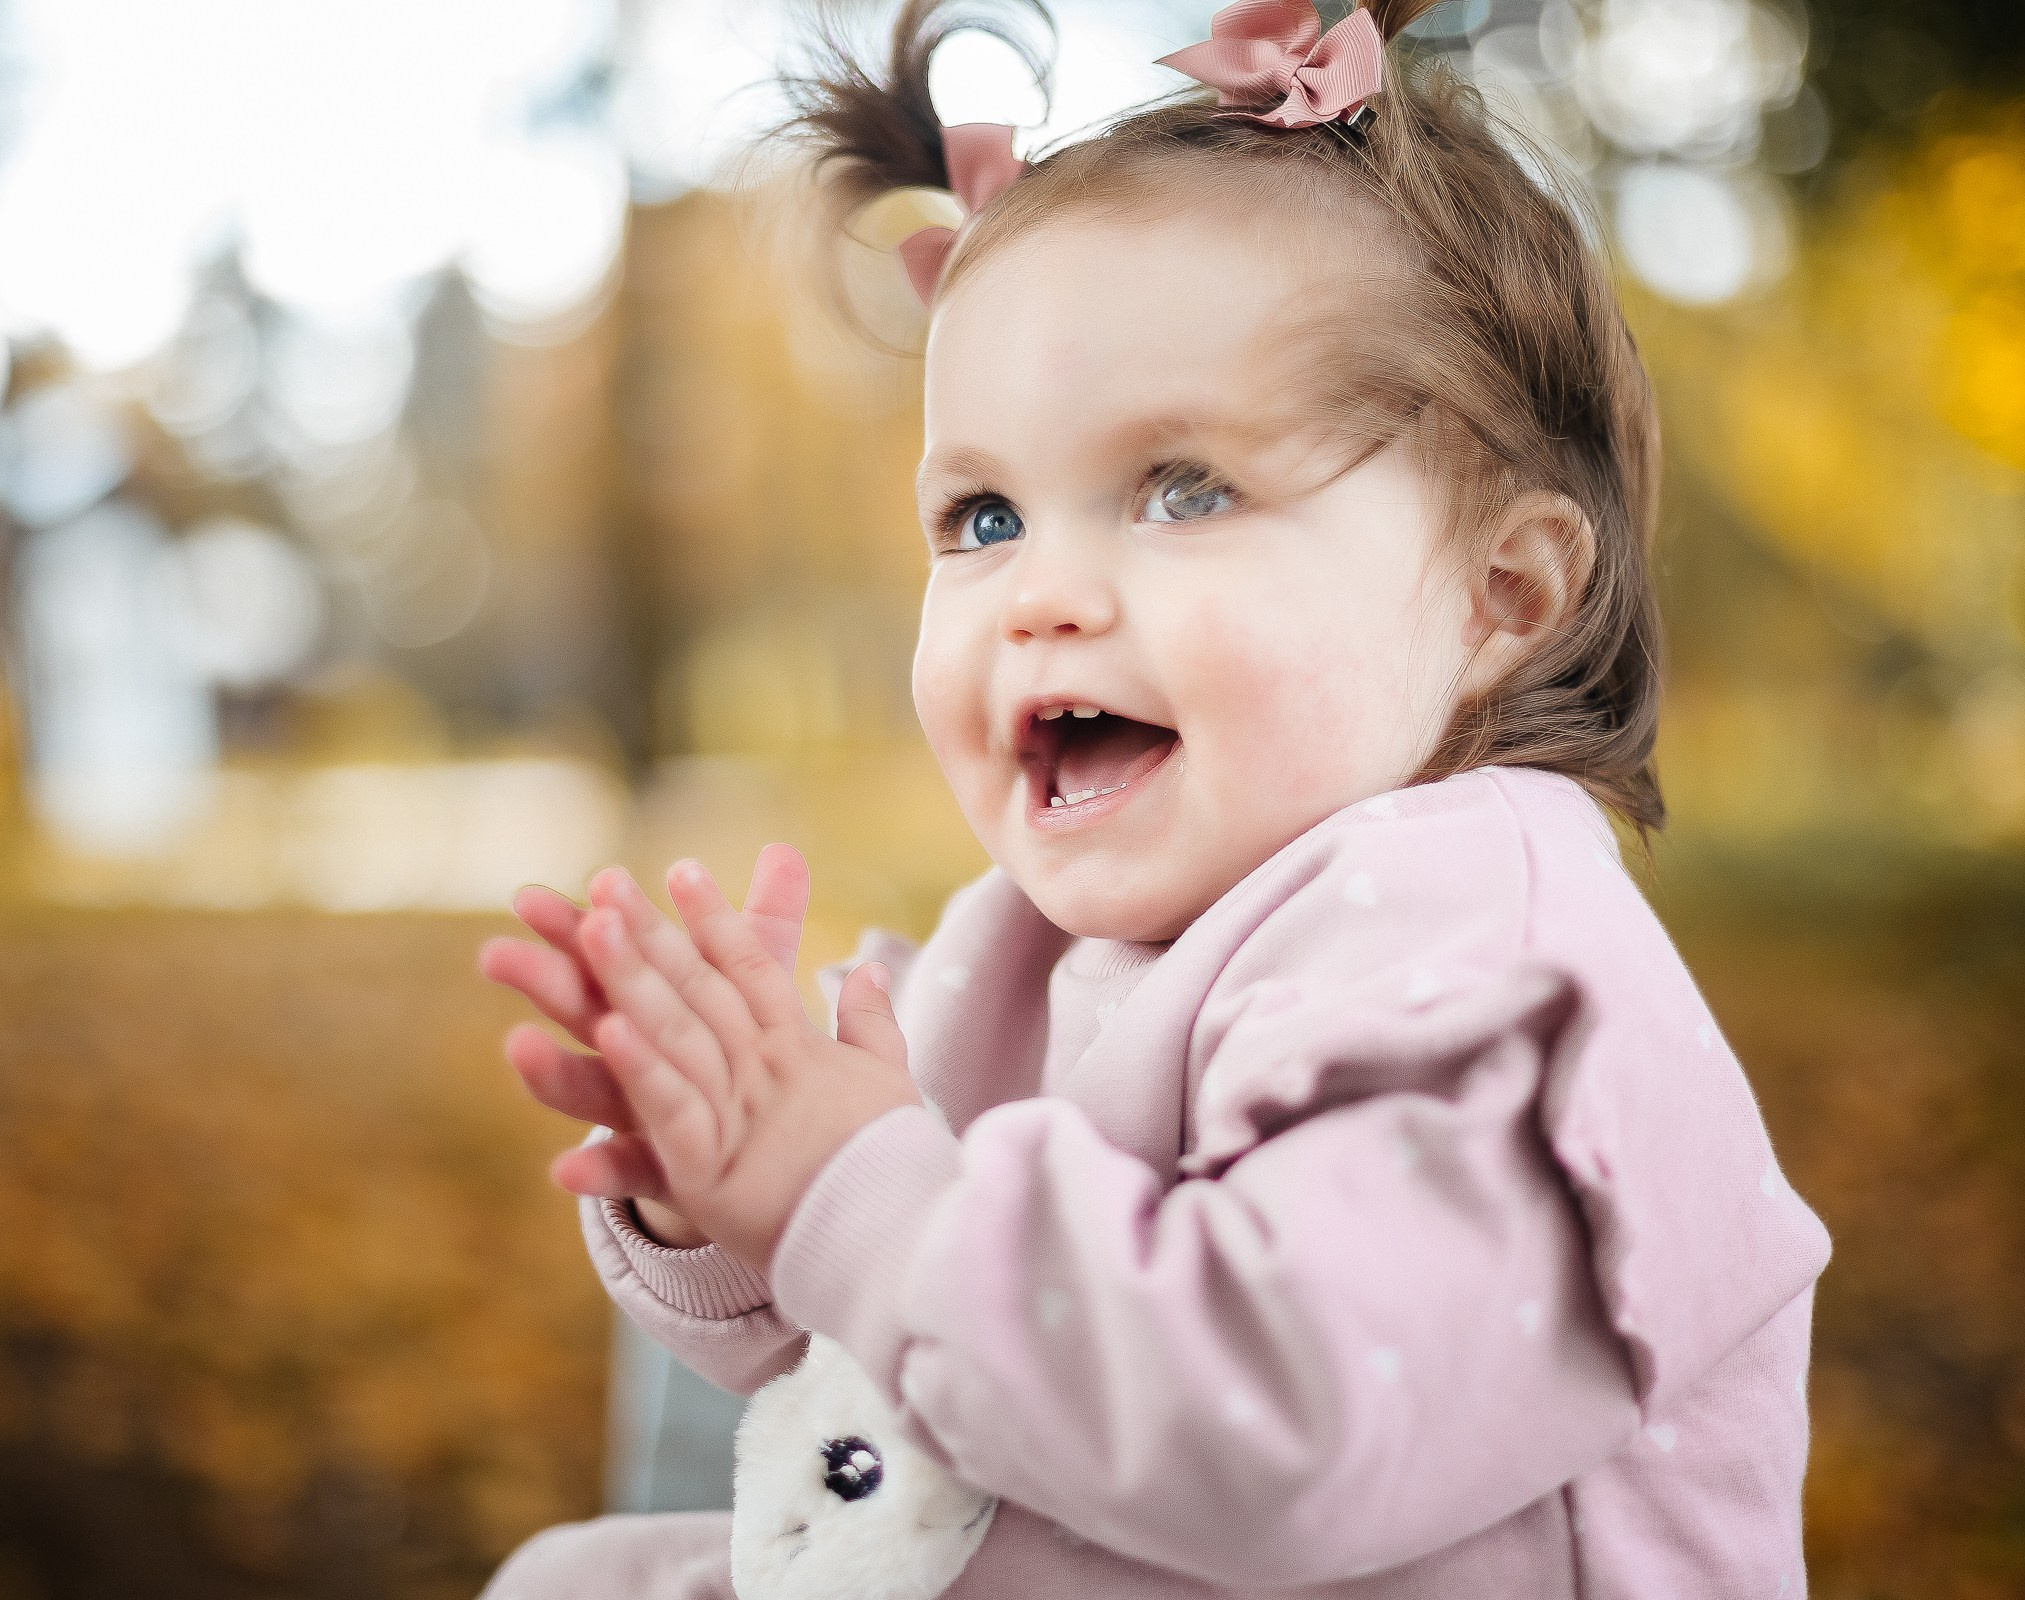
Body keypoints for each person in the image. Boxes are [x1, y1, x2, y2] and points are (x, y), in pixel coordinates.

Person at [476, 1, 1831, 1594]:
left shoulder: (1499, 980)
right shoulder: (1016, 956)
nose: (1039, 594)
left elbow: (1273, 1431)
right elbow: (890, 1345)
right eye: (982, 516)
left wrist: (848, 1186)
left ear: (1500, 594)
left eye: (1186, 490)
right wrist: (733, 1180)